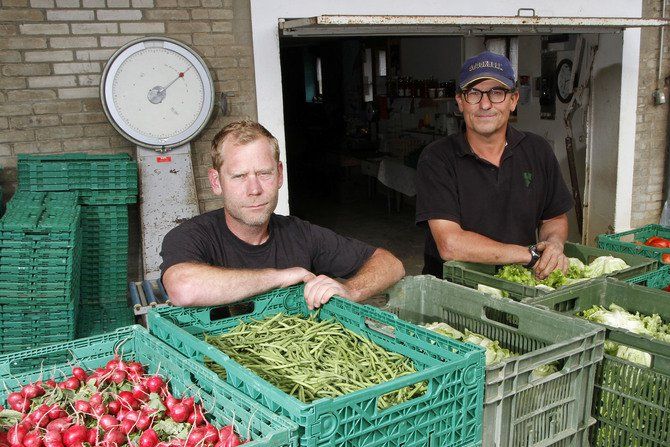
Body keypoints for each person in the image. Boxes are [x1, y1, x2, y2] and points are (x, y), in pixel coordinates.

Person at [160, 120, 405, 309]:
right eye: (239, 176)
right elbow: (183, 288)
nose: (254, 189)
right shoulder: (191, 235)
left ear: (279, 175)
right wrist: (280, 277)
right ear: (216, 181)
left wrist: (351, 290)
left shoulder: (300, 234)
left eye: (264, 173)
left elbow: (391, 265)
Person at [416, 51, 574, 280]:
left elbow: (553, 218)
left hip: (519, 283)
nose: (486, 104)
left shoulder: (537, 150)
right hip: (453, 289)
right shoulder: (437, 158)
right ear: (460, 102)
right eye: (474, 93)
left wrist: (553, 245)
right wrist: (527, 255)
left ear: (514, 100)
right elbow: (450, 244)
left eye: (497, 93)